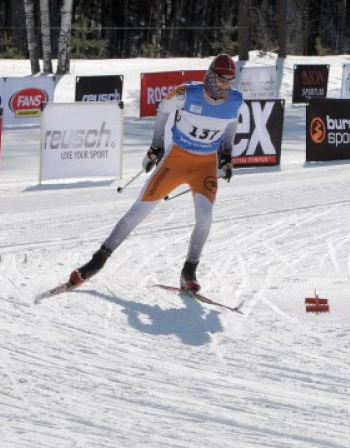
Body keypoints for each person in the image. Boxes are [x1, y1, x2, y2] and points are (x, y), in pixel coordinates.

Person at [67, 54, 243, 293]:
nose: (227, 86)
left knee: (205, 217)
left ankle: (189, 271)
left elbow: (231, 124)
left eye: (231, 81)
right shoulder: (185, 94)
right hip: (176, 160)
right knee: (138, 211)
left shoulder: (235, 99)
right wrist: (156, 146)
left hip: (205, 166)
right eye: (223, 80)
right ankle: (97, 261)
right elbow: (162, 112)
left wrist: (227, 154)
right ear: (212, 77)